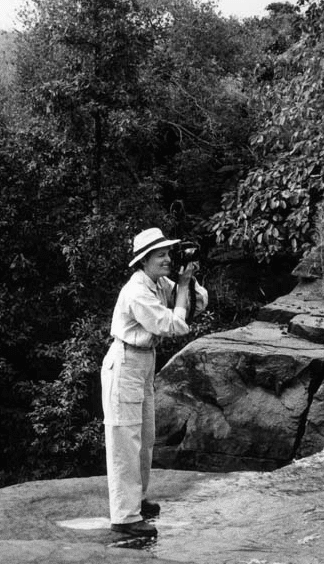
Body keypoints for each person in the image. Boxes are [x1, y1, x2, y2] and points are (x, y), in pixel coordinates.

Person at [101, 227, 208, 536]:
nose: (167, 259)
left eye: (168, 254)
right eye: (160, 255)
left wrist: (190, 278)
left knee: (145, 436)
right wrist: (183, 286)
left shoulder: (159, 283)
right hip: (126, 361)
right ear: (144, 261)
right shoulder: (136, 291)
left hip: (144, 361)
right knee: (125, 438)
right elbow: (174, 325)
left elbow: (197, 304)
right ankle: (124, 516)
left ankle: (138, 501)